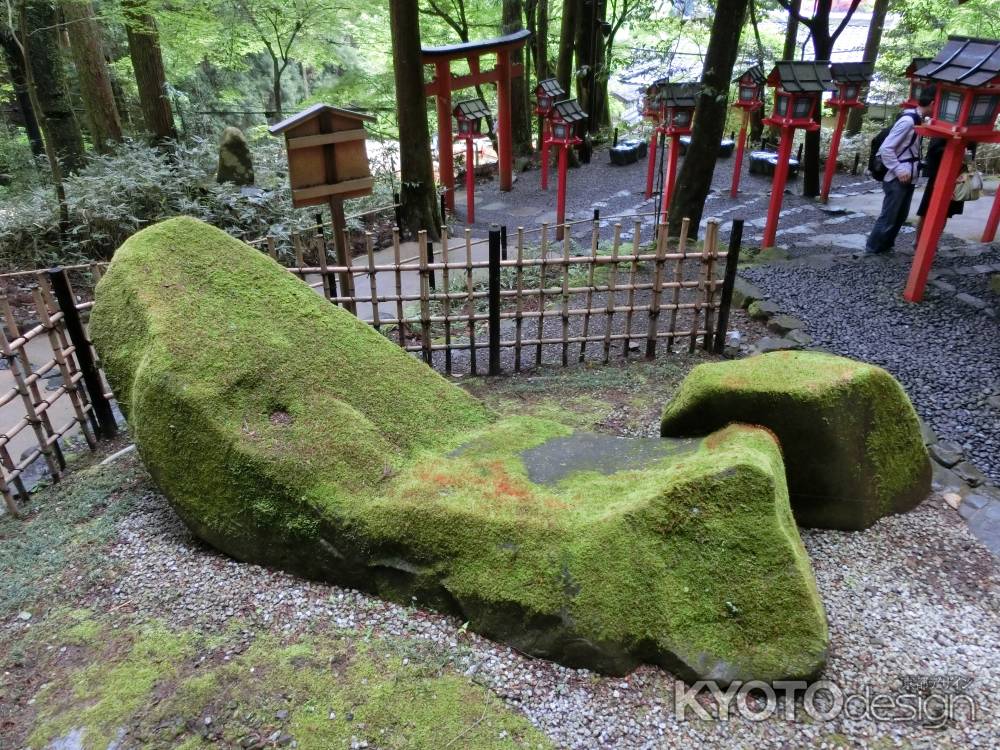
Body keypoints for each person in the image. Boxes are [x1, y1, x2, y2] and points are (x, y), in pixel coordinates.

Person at [864, 90, 936, 255]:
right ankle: (873, 249)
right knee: (889, 215)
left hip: (908, 175)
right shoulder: (908, 121)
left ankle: (885, 247)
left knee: (900, 215)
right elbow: (886, 148)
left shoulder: (917, 119)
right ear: (932, 103)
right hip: (897, 176)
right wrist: (898, 169)